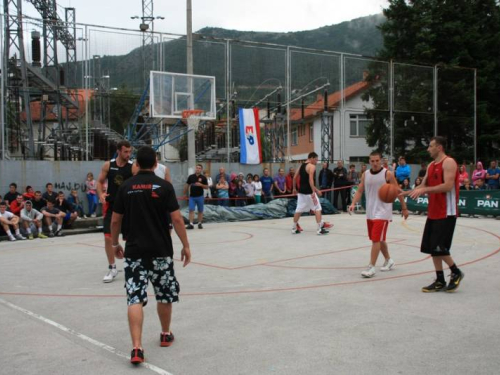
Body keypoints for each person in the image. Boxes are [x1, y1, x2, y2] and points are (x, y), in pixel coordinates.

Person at [110, 146, 191, 365]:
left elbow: (115, 220)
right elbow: (176, 219)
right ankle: (165, 334)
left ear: (136, 163)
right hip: (161, 251)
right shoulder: (164, 187)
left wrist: (115, 243)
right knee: (164, 294)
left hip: (135, 252)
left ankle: (137, 347)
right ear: (156, 164)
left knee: (135, 297)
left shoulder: (126, 187)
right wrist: (186, 245)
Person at [404, 136, 464, 293]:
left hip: (447, 212)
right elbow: (422, 185)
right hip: (433, 212)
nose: (428, 149)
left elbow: (448, 185)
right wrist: (403, 192)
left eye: (430, 146)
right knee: (432, 247)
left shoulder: (449, 162)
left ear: (440, 147)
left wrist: (425, 190)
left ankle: (456, 271)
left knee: (440, 246)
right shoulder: (431, 165)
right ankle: (439, 279)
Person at [349, 151, 409, 278]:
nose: (375, 163)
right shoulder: (365, 174)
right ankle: (388, 260)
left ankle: (371, 267)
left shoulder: (387, 174)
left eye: (377, 161)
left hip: (383, 212)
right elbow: (360, 190)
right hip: (370, 212)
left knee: (376, 239)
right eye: (372, 161)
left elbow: (398, 191)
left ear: (381, 161)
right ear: (369, 162)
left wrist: (404, 208)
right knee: (379, 239)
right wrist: (353, 203)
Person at [97, 140, 136, 283]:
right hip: (112, 206)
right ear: (118, 151)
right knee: (108, 237)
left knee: (131, 239)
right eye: (126, 151)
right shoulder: (108, 165)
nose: (128, 154)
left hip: (128, 207)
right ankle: (112, 268)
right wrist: (100, 194)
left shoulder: (133, 167)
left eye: (130, 151)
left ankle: (132, 265)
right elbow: (99, 182)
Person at [292, 152, 333, 235]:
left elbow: (295, 177)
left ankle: (294, 228)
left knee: (298, 210)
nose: (316, 162)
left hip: (301, 192)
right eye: (316, 160)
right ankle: (319, 229)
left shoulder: (301, 166)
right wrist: (314, 191)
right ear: (312, 158)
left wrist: (294, 188)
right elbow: (311, 180)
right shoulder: (312, 166)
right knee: (318, 208)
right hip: (309, 192)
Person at [184, 164, 208, 229]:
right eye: (197, 168)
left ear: (201, 169)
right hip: (192, 197)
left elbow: (206, 187)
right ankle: (191, 224)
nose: (198, 169)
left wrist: (201, 185)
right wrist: (184, 193)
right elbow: (187, 184)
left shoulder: (203, 177)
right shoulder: (191, 177)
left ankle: (199, 223)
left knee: (200, 210)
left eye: (199, 168)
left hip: (200, 196)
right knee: (191, 210)